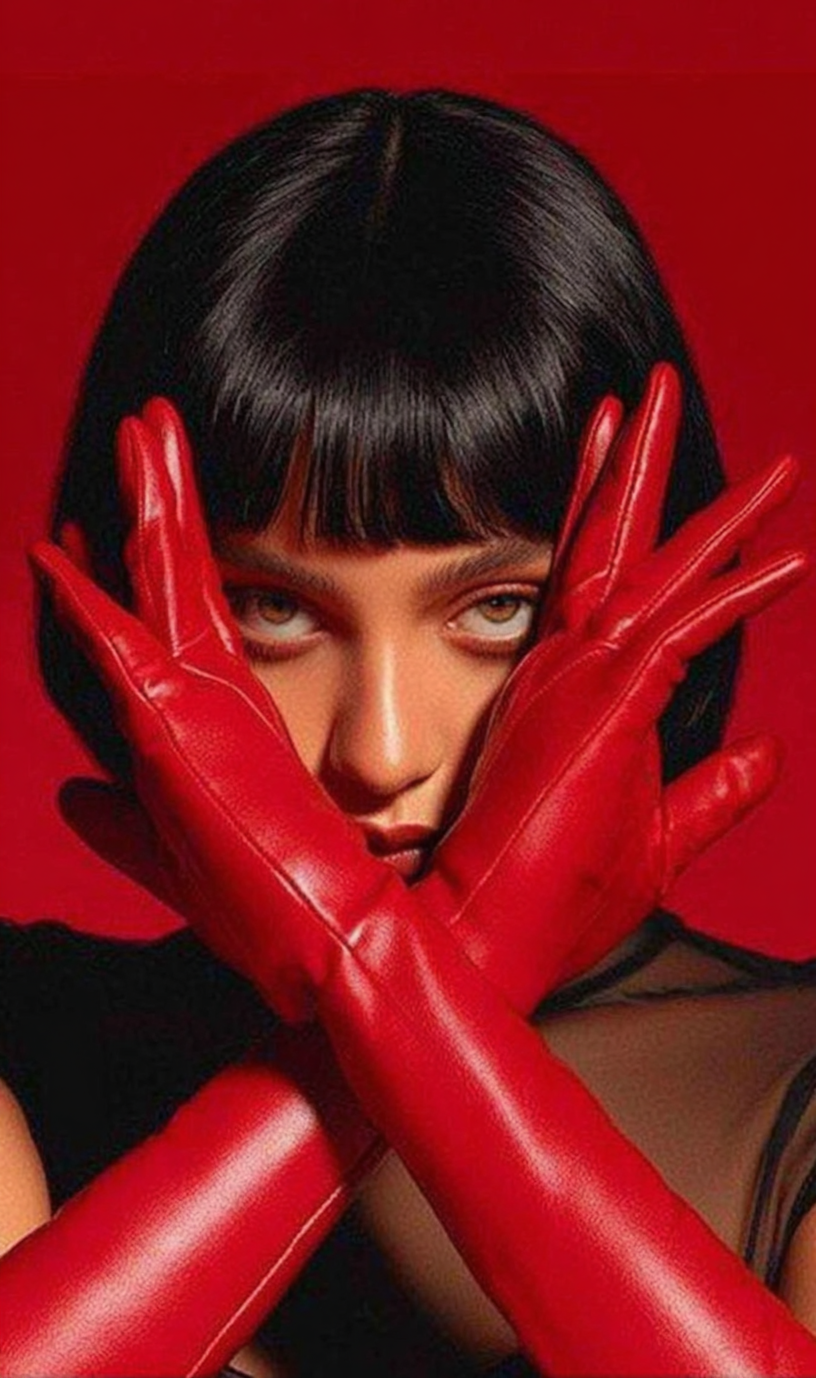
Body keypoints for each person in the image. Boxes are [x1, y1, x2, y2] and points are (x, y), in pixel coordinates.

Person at [0, 87, 814, 1377]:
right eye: (274, 610)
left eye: (496, 610)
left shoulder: (790, 1093)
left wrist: (380, 990)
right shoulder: (20, 1048)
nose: (381, 751)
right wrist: (436, 973)